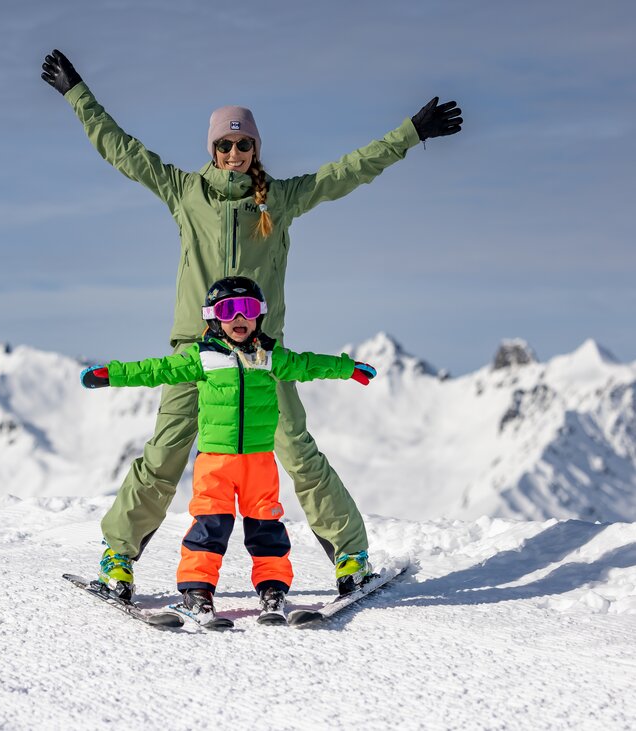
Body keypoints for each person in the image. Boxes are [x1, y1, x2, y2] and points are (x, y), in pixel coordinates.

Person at [41, 48, 462, 600]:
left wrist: (411, 133)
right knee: (164, 454)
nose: (234, 153)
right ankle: (118, 557)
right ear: (212, 150)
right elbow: (121, 149)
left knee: (297, 450)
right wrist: (77, 94)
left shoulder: (280, 199)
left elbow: (349, 170)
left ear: (255, 149)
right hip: (196, 351)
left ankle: (351, 555)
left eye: (243, 145)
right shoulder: (184, 191)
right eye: (224, 145)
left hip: (263, 354)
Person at [80, 277, 378, 625]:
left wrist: (347, 368)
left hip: (259, 463)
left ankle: (273, 591)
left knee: (267, 530)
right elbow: (155, 369)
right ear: (213, 318)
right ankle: (198, 594)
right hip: (215, 464)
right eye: (228, 310)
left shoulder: (270, 357)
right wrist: (111, 374)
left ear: (259, 315)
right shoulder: (202, 358)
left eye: (247, 309)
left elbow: (308, 364)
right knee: (209, 528)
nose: (239, 317)